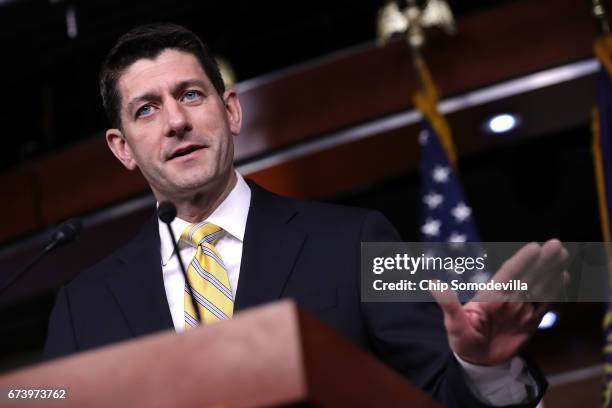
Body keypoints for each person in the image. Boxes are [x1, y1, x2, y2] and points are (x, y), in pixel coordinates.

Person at [44, 23, 567, 407]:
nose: (177, 121)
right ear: (123, 148)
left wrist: (482, 366)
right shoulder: (82, 307)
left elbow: (438, 394)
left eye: (191, 95)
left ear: (231, 111)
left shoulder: (358, 241)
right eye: (147, 109)